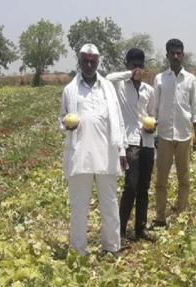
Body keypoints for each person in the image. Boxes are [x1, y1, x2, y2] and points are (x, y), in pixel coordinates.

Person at [59, 43, 127, 255]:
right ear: (79, 61)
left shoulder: (107, 87)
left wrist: (122, 151)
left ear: (98, 62)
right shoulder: (70, 89)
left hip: (106, 154)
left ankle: (112, 247)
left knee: (109, 204)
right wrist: (66, 125)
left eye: (93, 61)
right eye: (85, 61)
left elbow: (118, 120)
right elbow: (61, 120)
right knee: (79, 207)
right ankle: (79, 250)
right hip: (80, 156)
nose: (89, 65)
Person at [106, 48, 156, 241]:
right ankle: (120, 230)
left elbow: (152, 114)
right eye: (134, 65)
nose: (137, 69)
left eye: (140, 66)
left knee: (144, 186)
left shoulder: (148, 90)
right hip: (130, 143)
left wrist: (153, 126)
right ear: (128, 66)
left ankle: (140, 228)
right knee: (130, 186)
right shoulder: (119, 87)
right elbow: (108, 77)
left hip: (147, 142)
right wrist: (129, 74)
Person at [152, 38, 196, 227]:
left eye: (179, 53)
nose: (176, 56)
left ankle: (180, 213)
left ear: (183, 54)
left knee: (184, 178)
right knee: (161, 179)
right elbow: (154, 109)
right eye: (172, 53)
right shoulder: (160, 79)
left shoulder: (191, 80)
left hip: (184, 135)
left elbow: (195, 109)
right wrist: (153, 132)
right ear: (167, 56)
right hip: (164, 135)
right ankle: (160, 216)